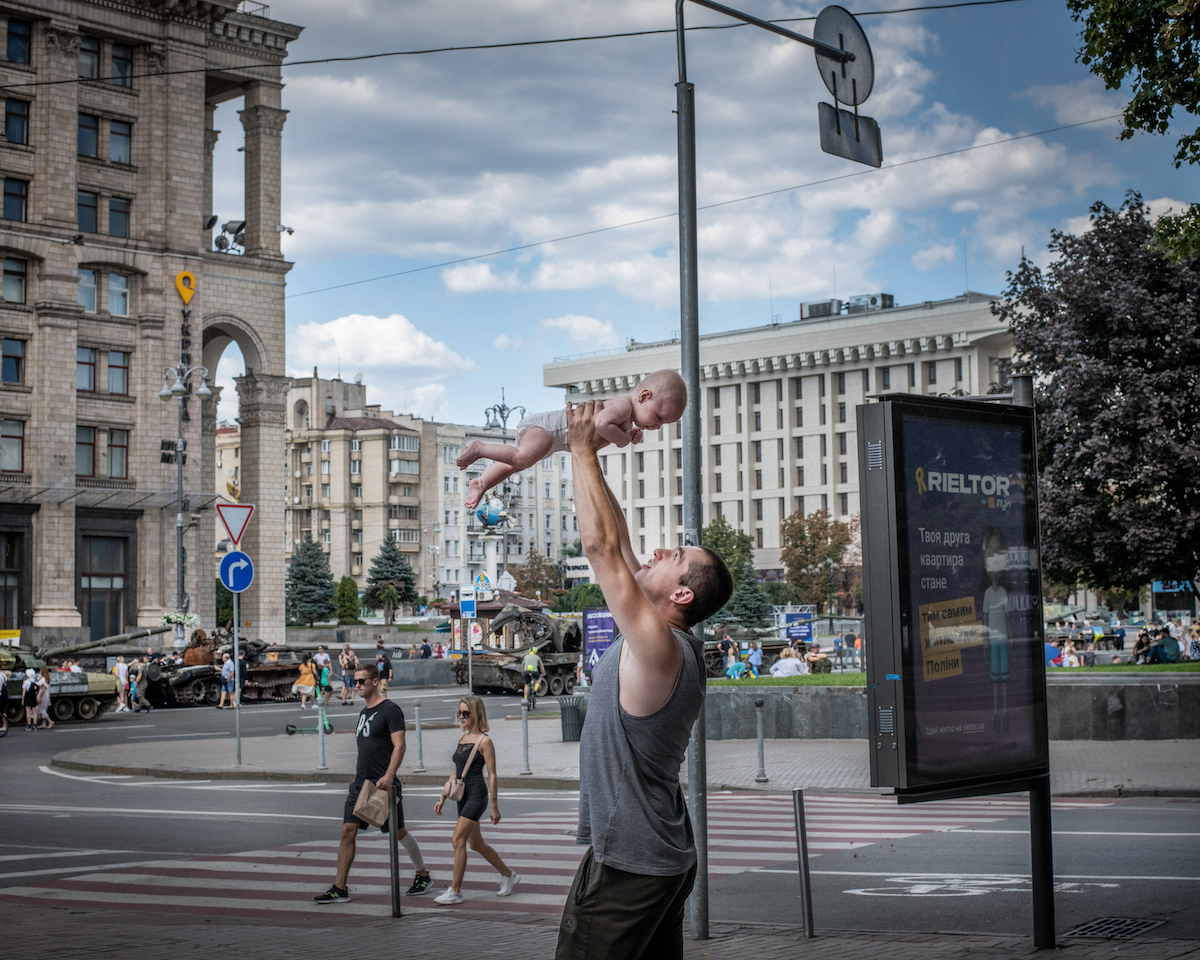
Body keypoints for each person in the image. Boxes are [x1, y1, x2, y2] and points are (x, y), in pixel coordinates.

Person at [556, 400, 734, 960]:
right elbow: (619, 542)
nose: (657, 551)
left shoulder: (660, 649)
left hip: (631, 864)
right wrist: (593, 460)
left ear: (681, 594)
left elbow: (600, 549)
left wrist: (580, 450)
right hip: (657, 858)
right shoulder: (658, 638)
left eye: (674, 556)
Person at [457, 370, 688, 508]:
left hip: (555, 438)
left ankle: (482, 482)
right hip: (549, 428)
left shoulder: (627, 416)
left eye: (662, 424)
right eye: (658, 417)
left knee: (516, 465)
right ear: (644, 396)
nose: (656, 425)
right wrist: (622, 440)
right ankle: (480, 448)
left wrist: (627, 434)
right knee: (521, 458)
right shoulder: (623, 406)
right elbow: (601, 424)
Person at [313, 664, 432, 904]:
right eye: (354, 682)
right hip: (360, 783)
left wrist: (389, 775)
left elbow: (400, 745)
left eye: (361, 681)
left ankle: (422, 875)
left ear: (374, 681)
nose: (356, 685)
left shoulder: (390, 710)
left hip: (382, 785)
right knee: (348, 831)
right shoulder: (363, 713)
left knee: (398, 832)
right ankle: (340, 887)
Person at [432, 695, 520, 904]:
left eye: (465, 713)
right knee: (476, 843)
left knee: (457, 840)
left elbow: (493, 775)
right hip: (461, 796)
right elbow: (456, 771)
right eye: (459, 713)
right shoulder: (462, 739)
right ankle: (509, 875)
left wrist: (494, 806)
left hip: (477, 796)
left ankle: (454, 892)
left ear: (476, 714)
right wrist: (442, 796)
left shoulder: (485, 741)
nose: (461, 717)